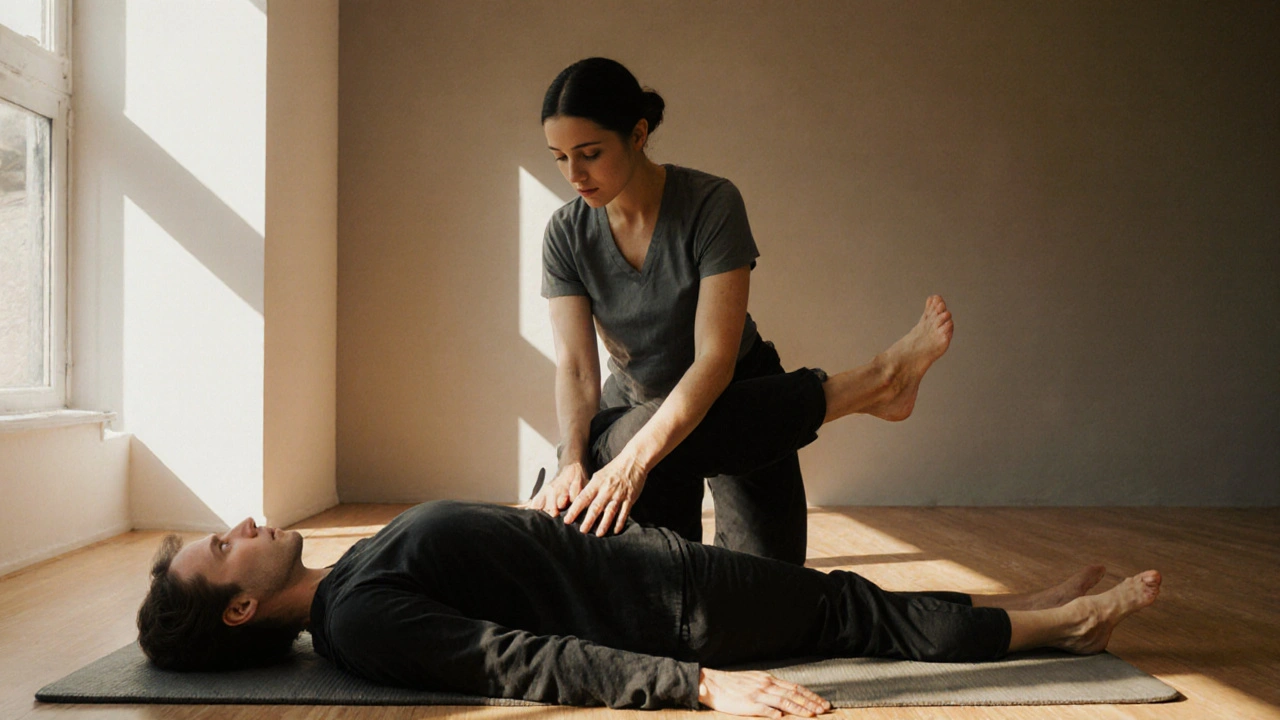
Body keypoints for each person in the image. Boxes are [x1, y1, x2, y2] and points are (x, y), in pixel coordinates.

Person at [136, 359, 1162, 717]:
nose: (241, 527)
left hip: (652, 569)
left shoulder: (349, 573)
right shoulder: (360, 621)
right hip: (674, 612)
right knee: (856, 614)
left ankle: (1036, 614)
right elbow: (524, 662)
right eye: (220, 551)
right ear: (235, 605)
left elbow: (498, 576)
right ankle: (1058, 622)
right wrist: (704, 685)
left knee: (850, 600)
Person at [533, 57, 961, 564]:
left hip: (740, 392)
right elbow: (579, 369)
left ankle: (880, 382)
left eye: (589, 153)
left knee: (767, 587)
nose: (573, 175)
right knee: (660, 576)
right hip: (635, 407)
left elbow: (714, 360)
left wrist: (633, 463)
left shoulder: (711, 203)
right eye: (559, 157)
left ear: (638, 134)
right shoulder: (565, 234)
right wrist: (573, 461)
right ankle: (874, 383)